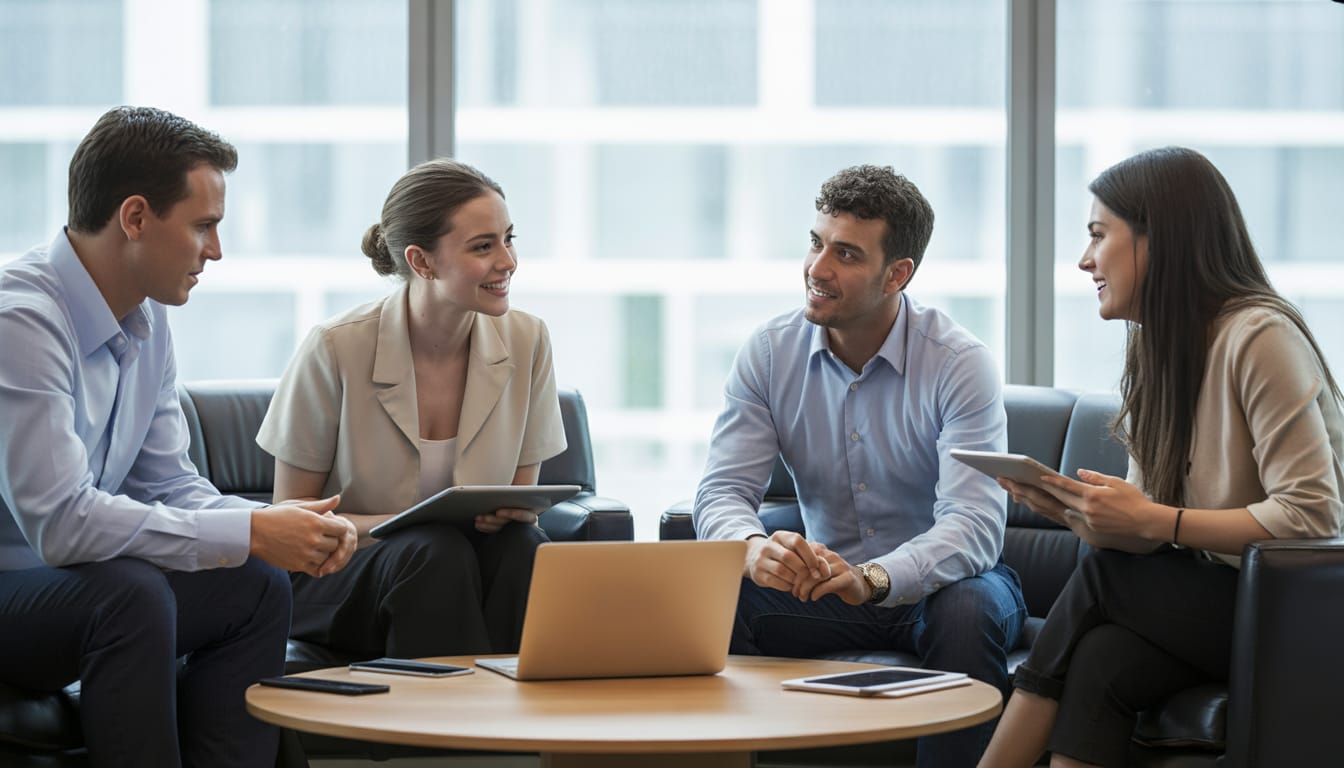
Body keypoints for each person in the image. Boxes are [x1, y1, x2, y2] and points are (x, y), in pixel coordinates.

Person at [0, 106, 358, 767]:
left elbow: (168, 483)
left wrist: (267, 523)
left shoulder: (148, 319)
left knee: (255, 584)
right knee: (130, 594)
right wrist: (250, 531)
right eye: (204, 226)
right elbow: (61, 523)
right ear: (135, 218)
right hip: (15, 588)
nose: (215, 251)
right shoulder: (20, 320)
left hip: (77, 587)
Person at [977, 147, 1344, 768]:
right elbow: (1148, 531)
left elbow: (1313, 518)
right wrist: (1083, 515)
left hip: (1298, 611)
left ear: (1158, 240)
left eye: (1099, 235)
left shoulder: (1259, 336)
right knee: (1103, 661)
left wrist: (1156, 523)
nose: (1084, 260)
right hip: (1219, 601)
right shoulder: (1153, 354)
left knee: (1103, 577)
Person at [694, 164, 1027, 768]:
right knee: (708, 598)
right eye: (816, 243)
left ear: (897, 273)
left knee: (970, 609)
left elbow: (974, 525)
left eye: (845, 253)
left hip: (943, 587)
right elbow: (720, 493)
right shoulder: (769, 353)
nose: (818, 269)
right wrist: (749, 547)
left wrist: (871, 578)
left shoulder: (958, 363)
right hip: (821, 588)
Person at [256, 158, 566, 659]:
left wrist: (509, 515)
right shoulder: (335, 347)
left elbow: (520, 502)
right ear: (421, 262)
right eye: (483, 246)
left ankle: (517, 726)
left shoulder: (528, 340)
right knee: (433, 550)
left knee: (523, 548)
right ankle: (450, 731)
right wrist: (412, 521)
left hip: (458, 568)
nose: (507, 261)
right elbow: (292, 521)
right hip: (339, 574)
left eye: (509, 239)